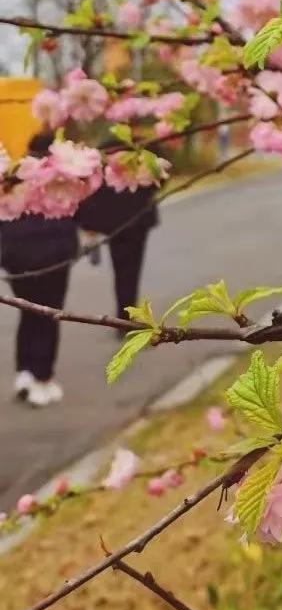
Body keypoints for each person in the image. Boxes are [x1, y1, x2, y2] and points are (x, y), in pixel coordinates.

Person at [1, 133, 78, 407]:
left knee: (29, 312)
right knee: (49, 313)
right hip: (53, 255)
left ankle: (25, 372)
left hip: (17, 256)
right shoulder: (61, 174)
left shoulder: (13, 173)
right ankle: (42, 377)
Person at [76, 140, 159, 325]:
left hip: (113, 222)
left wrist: (88, 223)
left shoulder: (103, 154)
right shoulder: (140, 152)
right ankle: (127, 315)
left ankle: (124, 314)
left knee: (121, 269)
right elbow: (155, 182)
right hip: (136, 220)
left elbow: (91, 190)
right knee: (131, 271)